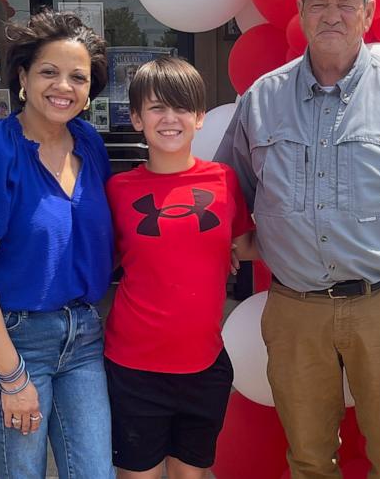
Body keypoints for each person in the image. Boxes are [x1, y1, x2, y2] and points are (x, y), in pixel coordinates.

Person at [216, 0, 380, 479]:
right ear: (301, 13)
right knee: (307, 458)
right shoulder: (261, 100)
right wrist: (239, 245)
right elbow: (229, 192)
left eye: (346, 3)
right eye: (319, 2)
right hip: (295, 310)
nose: (332, 14)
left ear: (369, 13)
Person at [0, 10, 116, 478]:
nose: (63, 86)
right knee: (22, 472)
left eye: (78, 77)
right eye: (49, 72)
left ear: (90, 90)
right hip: (12, 337)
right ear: (23, 78)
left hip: (83, 334)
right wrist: (12, 378)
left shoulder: (89, 143)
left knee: (94, 470)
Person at [103, 56, 256, 479]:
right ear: (136, 118)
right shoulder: (118, 189)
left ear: (200, 117)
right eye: (156, 107)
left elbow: (247, 244)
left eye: (182, 107)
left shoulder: (224, 181)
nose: (170, 118)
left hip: (204, 365)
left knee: (191, 475)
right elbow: (96, 259)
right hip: (134, 368)